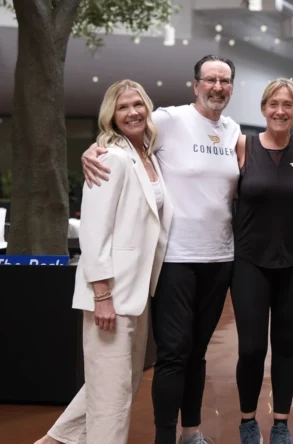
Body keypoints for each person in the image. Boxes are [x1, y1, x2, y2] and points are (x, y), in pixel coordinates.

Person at [80, 55, 242, 444]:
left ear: (231, 86)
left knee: (198, 353)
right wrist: (93, 148)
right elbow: (124, 137)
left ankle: (192, 432)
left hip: (220, 257)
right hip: (174, 260)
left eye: (224, 81)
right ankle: (165, 437)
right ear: (196, 84)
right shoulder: (169, 120)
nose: (217, 87)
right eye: (210, 80)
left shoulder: (233, 129)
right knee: (173, 354)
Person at [35, 79, 173, 444]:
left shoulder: (149, 155)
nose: (132, 112)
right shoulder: (109, 158)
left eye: (138, 105)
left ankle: (54, 441)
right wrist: (101, 296)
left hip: (138, 292)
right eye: (123, 107)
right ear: (110, 116)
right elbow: (94, 232)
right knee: (113, 397)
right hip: (111, 292)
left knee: (116, 383)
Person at [230, 78, 293, 444]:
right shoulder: (243, 146)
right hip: (249, 261)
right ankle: (247, 420)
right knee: (252, 346)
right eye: (274, 103)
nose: (280, 111)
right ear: (263, 108)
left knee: (285, 343)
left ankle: (282, 422)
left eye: (287, 104)